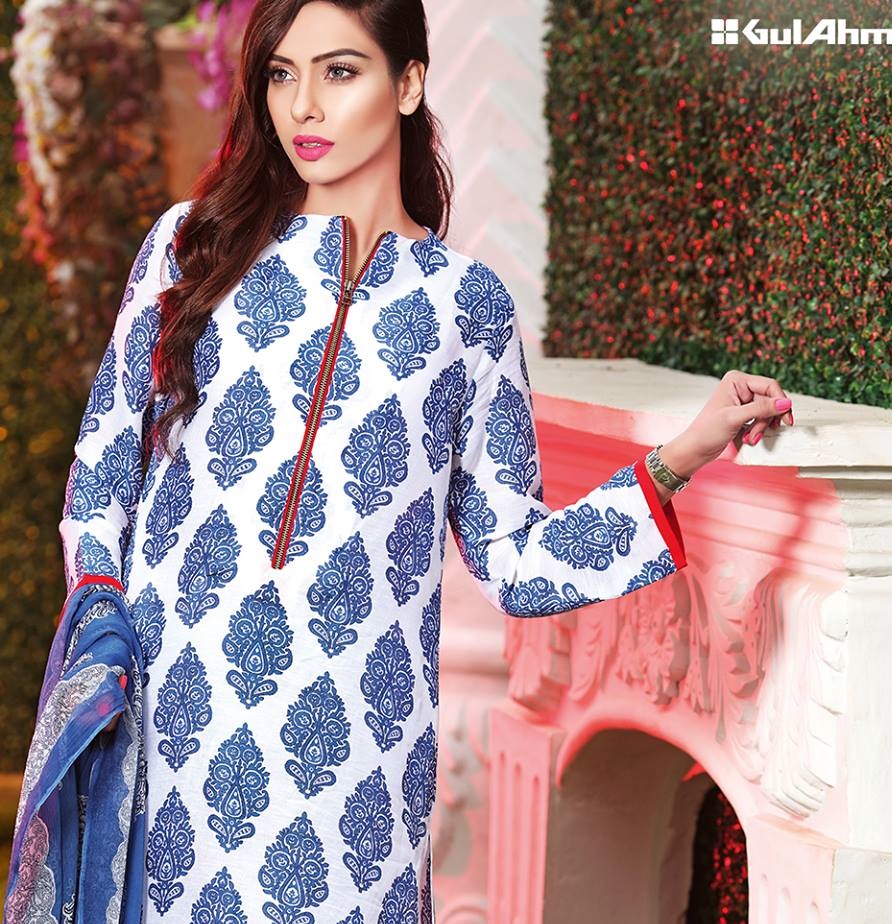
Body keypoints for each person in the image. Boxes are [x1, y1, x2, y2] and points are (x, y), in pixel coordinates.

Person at [58, 0, 794, 921]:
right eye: (282, 74)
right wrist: (102, 624)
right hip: (176, 723)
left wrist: (683, 454)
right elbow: (102, 471)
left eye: (339, 71)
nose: (304, 106)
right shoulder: (192, 247)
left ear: (407, 83)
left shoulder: (466, 308)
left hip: (353, 764)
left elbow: (516, 559)